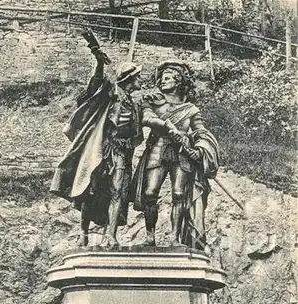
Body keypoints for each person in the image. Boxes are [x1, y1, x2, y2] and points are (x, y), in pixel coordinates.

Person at [50, 30, 143, 248]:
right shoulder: (111, 91)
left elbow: (139, 128)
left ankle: (109, 236)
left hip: (122, 152)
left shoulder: (136, 104)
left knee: (118, 191)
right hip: (101, 148)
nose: (140, 79)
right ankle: (82, 233)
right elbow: (97, 82)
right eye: (137, 75)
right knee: (89, 190)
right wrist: (97, 58)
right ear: (129, 78)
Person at [133, 61, 219, 250]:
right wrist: (165, 126)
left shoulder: (190, 109)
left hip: (182, 154)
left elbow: (200, 131)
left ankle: (174, 238)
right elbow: (146, 118)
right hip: (158, 148)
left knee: (179, 194)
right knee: (149, 193)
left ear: (178, 82)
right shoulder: (153, 100)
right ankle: (149, 237)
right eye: (162, 78)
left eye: (168, 78)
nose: (163, 81)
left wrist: (200, 149)